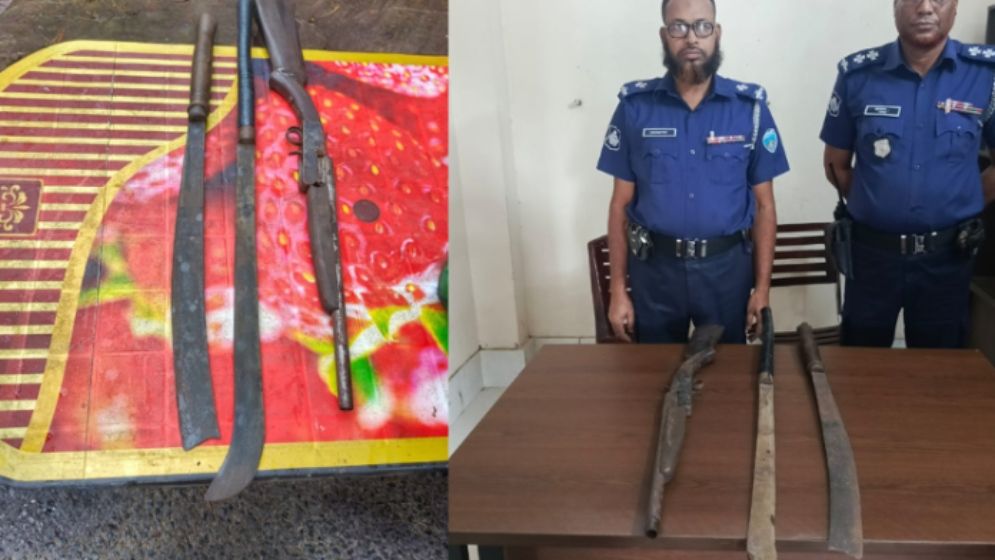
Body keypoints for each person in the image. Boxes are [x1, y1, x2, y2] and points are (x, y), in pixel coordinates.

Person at [596, 0, 790, 344]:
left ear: (717, 33)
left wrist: (762, 290)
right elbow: (619, 206)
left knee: (726, 373)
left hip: (726, 272)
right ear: (664, 35)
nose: (691, 38)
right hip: (655, 272)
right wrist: (618, 292)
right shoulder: (634, 108)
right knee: (654, 371)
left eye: (702, 26)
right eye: (678, 27)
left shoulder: (750, 110)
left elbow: (765, 207)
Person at [820, 0, 995, 348]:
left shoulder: (985, 75)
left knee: (939, 369)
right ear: (896, 7)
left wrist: (961, 201)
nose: (925, 8)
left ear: (955, 8)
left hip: (948, 258)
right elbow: (836, 165)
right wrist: (880, 202)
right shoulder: (857, 74)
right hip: (871, 256)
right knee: (861, 365)